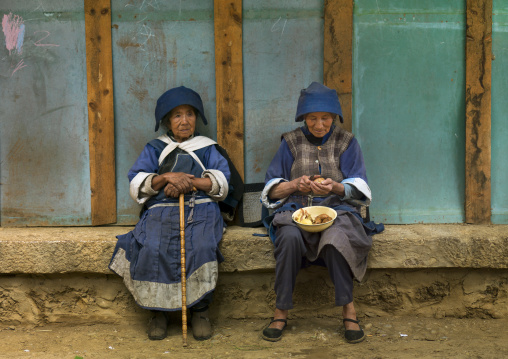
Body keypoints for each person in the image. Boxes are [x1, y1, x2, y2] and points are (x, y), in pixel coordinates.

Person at [260, 82, 384, 344]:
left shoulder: (347, 142)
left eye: (325, 118)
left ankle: (349, 310)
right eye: (312, 118)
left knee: (335, 239)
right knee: (290, 237)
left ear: (334, 118)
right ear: (303, 118)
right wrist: (294, 185)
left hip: (337, 211)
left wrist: (337, 186)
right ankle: (280, 311)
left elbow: (360, 185)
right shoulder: (290, 142)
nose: (319, 125)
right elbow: (271, 190)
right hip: (297, 211)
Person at [109, 86, 232, 341]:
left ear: (197, 118)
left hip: (201, 209)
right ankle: (158, 313)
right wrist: (166, 177)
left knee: (201, 246)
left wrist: (189, 182)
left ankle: (200, 310)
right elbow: (137, 184)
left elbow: (220, 184)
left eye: (189, 114)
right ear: (167, 121)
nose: (184, 120)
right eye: (177, 115)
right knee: (153, 247)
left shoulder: (208, 149)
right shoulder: (155, 148)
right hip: (161, 211)